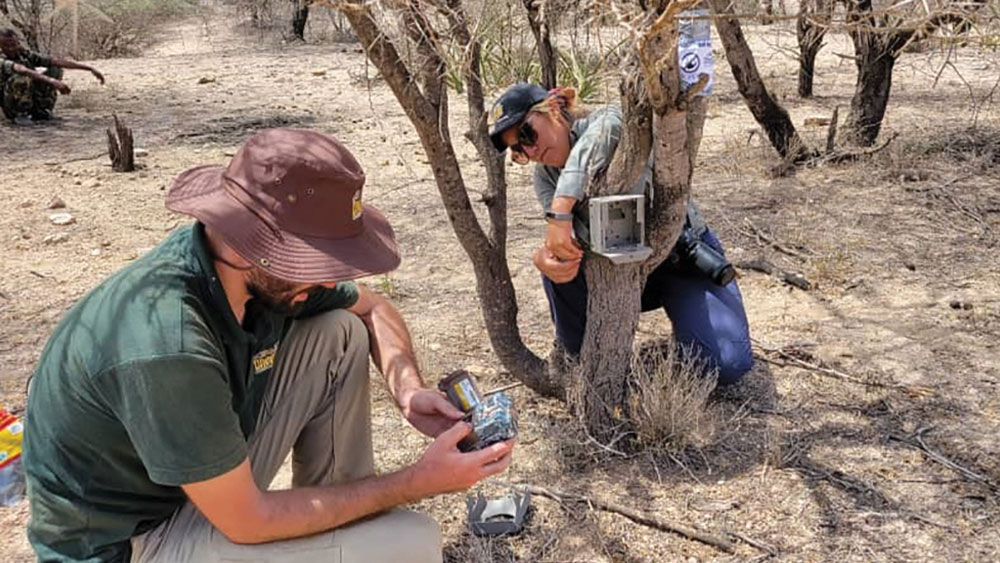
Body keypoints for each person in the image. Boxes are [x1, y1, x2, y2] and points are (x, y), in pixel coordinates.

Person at [23, 128, 516, 563]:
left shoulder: (249, 275)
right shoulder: (168, 344)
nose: (328, 279)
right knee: (409, 542)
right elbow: (247, 521)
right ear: (251, 243)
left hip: (192, 481)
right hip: (132, 541)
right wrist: (416, 482)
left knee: (338, 332)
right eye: (313, 262)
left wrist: (407, 389)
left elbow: (372, 310)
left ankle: (339, 523)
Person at [489, 83, 752, 385]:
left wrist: (563, 206)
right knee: (556, 279)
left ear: (553, 109)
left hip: (679, 259)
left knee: (728, 364)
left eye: (527, 134)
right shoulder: (545, 177)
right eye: (519, 150)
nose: (531, 151)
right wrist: (547, 255)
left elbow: (612, 123)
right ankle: (585, 360)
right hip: (614, 278)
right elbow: (569, 239)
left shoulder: (609, 127)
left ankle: (689, 333)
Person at [0, 28, 104, 122]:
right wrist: (52, 81)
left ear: (18, 43)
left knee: (55, 70)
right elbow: (21, 70)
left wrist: (89, 68)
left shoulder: (23, 53)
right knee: (21, 78)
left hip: (30, 97)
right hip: (9, 103)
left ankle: (42, 110)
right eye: (5, 45)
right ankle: (20, 115)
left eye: (13, 44)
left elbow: (54, 62)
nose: (10, 48)